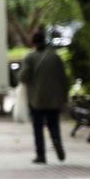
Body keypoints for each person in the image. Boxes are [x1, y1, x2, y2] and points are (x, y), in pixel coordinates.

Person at [20, 30, 69, 163]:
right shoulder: (55, 57)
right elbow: (64, 78)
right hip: (55, 99)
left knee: (38, 128)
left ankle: (41, 155)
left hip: (37, 99)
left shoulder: (30, 58)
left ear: (33, 43)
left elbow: (23, 77)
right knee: (53, 124)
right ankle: (57, 141)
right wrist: (64, 97)